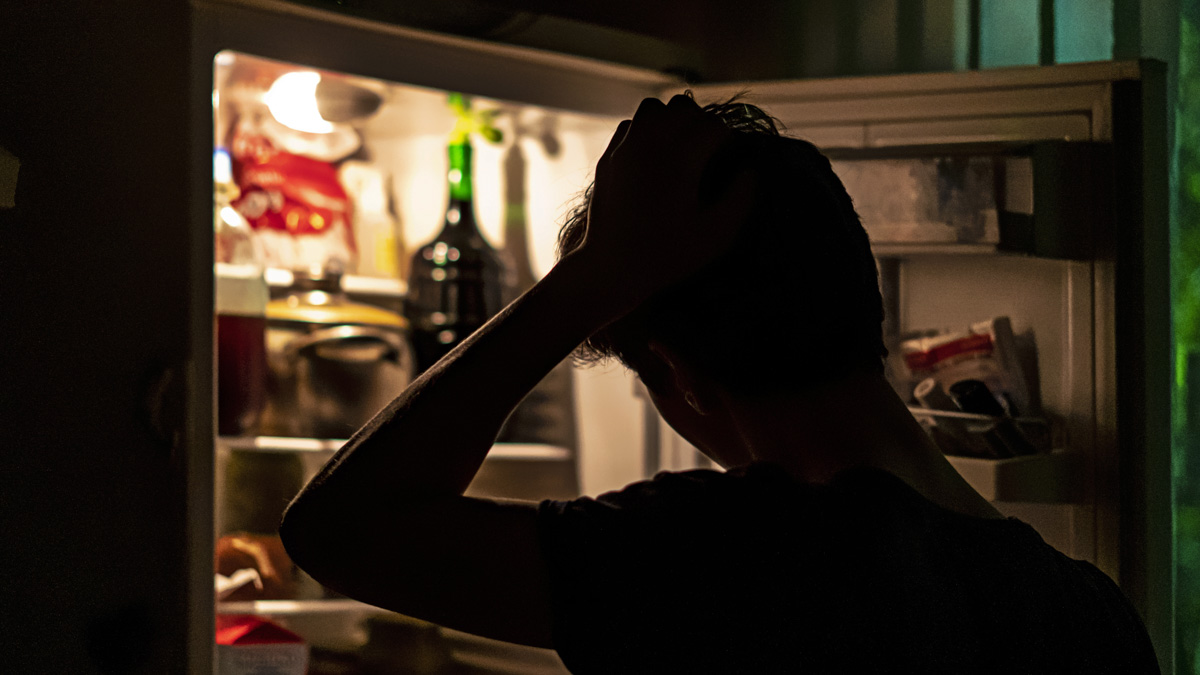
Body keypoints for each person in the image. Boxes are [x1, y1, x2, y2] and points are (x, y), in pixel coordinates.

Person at [279, 94, 1160, 673]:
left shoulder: (726, 559)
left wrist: (591, 279)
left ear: (679, 377)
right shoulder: (1091, 616)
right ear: (864, 300)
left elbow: (340, 527)